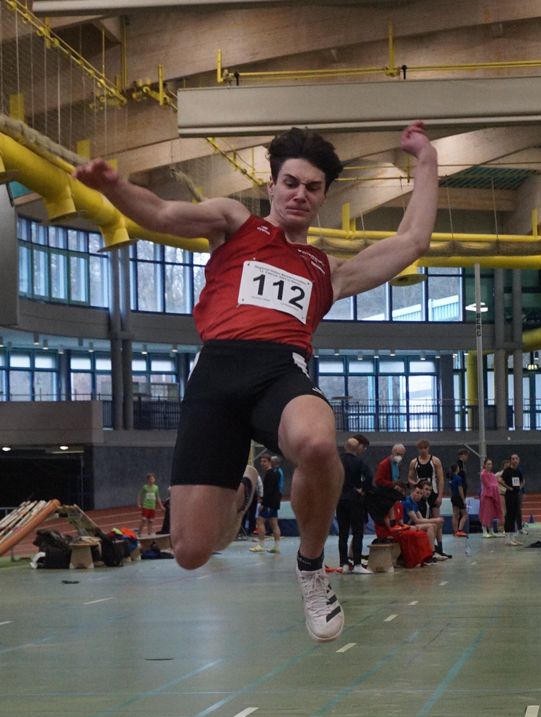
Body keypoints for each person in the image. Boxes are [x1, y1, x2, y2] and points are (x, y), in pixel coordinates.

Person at [74, 121, 438, 642]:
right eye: (290, 182)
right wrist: (114, 187)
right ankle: (244, 487)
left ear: (324, 197)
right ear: (272, 185)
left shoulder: (328, 271)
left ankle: (311, 569)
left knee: (317, 443)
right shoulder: (234, 222)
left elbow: (412, 240)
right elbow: (162, 213)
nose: (299, 194)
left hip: (281, 371)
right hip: (217, 376)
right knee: (190, 552)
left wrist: (426, 159)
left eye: (312, 187)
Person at [335, 437, 372, 574]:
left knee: (342, 533)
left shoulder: (337, 461)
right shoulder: (359, 462)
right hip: (355, 500)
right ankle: (357, 564)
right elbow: (369, 477)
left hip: (340, 499)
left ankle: (343, 564)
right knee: (357, 532)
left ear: (345, 446)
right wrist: (362, 489)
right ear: (357, 448)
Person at [250, 454, 282, 553]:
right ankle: (277, 547)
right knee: (274, 523)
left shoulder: (270, 474)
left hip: (269, 504)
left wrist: (263, 504)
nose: (262, 463)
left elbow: (269, 491)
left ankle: (261, 545)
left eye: (264, 461)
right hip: (274, 503)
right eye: (261, 461)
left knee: (260, 521)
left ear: (269, 462)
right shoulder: (274, 473)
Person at [407, 439, 444, 513]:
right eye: (421, 448)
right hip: (420, 492)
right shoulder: (414, 462)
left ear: (428, 448)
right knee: (420, 513)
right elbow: (409, 478)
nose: (423, 450)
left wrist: (440, 496)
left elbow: (441, 479)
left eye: (425, 448)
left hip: (433, 491)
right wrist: (415, 484)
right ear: (418, 449)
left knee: (436, 514)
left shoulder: (435, 461)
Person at [501, 453, 525, 546]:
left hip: (516, 495)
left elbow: (523, 481)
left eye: (516, 459)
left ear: (519, 460)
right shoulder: (507, 470)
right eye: (513, 459)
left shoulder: (518, 471)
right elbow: (500, 480)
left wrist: (519, 488)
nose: (515, 460)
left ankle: (512, 538)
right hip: (509, 495)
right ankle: (507, 539)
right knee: (509, 516)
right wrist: (508, 487)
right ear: (511, 461)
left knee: (514, 515)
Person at [479, 458, 504, 538]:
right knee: (486, 513)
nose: (490, 466)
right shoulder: (483, 474)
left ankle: (491, 531)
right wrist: (496, 487)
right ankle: (484, 531)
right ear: (484, 465)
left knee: (491, 514)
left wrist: (496, 487)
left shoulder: (493, 475)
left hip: (493, 496)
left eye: (491, 464)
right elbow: (488, 485)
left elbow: (495, 484)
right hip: (486, 496)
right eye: (488, 464)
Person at [448, 463, 468, 537]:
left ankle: (455, 531)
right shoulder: (458, 478)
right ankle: (460, 530)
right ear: (457, 469)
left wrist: (452, 497)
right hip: (458, 498)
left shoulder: (451, 479)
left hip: (453, 497)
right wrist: (463, 499)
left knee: (455, 515)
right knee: (465, 515)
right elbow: (460, 489)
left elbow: (450, 490)